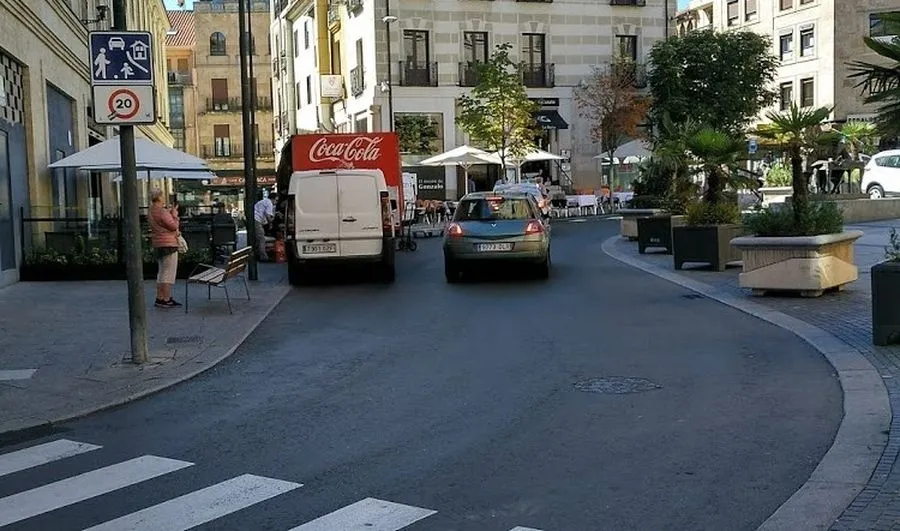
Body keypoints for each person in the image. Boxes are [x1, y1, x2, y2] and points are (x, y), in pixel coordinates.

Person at [149, 189, 182, 308]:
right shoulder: (162, 211)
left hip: (158, 243)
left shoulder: (151, 210)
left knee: (161, 272)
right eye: (163, 196)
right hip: (169, 244)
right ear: (159, 197)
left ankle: (160, 297)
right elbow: (173, 226)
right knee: (169, 272)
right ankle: (166, 298)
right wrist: (174, 215)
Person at [253, 192, 278, 261]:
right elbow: (268, 216)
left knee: (258, 239)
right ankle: (264, 257)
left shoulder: (264, 201)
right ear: (272, 199)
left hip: (255, 219)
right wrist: (273, 219)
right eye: (276, 200)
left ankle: (258, 254)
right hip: (257, 220)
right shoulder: (269, 203)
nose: (276, 202)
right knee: (261, 239)